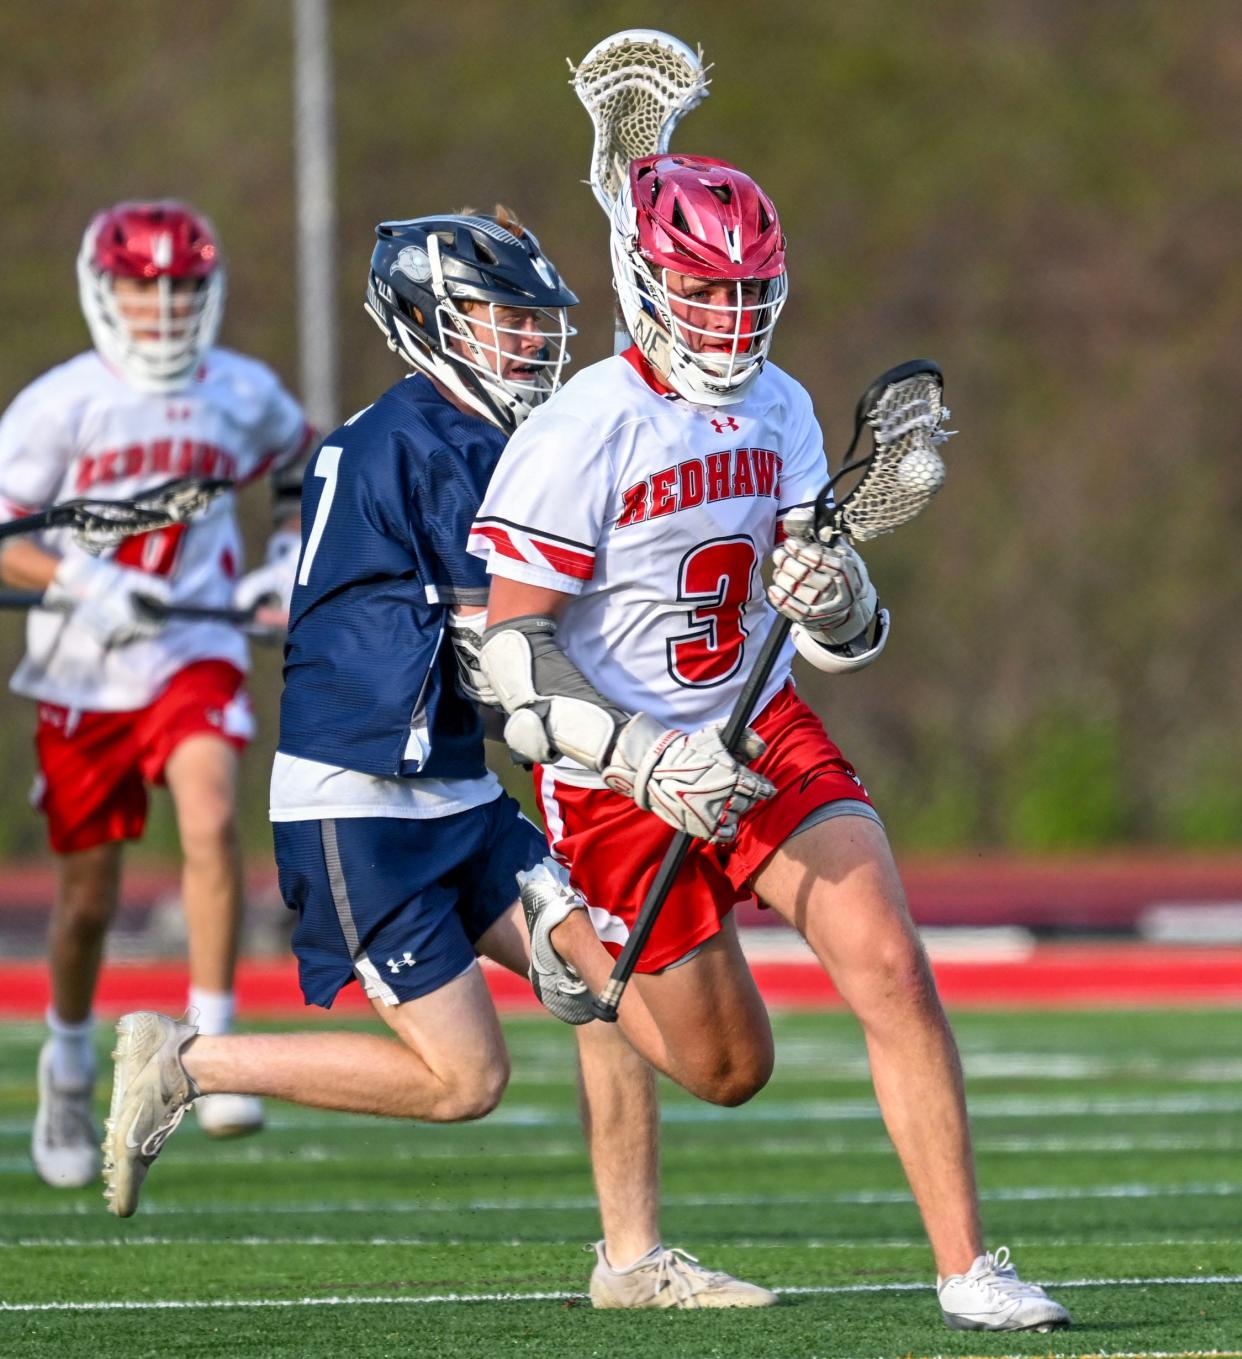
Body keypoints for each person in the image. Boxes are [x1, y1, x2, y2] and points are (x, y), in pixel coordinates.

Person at [101, 207, 776, 1309]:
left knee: (604, 984)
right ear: (427, 319)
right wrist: (642, 752)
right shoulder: (428, 443)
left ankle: (630, 1256)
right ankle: (190, 1064)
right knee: (466, 1081)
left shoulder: (456, 434)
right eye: (499, 316)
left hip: (456, 792)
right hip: (363, 806)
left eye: (529, 317)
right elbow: (507, 654)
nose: (526, 338)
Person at [467, 155, 1073, 1334]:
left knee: (891, 961)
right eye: (702, 292)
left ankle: (968, 1268)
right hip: (614, 777)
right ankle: (557, 940)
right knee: (728, 1071)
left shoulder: (784, 408)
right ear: (646, 284)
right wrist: (644, 758)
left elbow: (841, 627)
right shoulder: (583, 428)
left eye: (748, 291)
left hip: (761, 727)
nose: (728, 317)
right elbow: (512, 662)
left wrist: (835, 595)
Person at [0, 199, 316, 1188]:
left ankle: (210, 1054)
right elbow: (6, 542)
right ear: (105, 289)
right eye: (144, 285)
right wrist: (84, 583)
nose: (164, 304)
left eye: (180, 285)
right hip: (84, 668)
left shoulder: (236, 390)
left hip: (192, 647)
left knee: (216, 822)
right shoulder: (59, 405)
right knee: (89, 899)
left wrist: (284, 553)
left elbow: (307, 452)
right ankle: (67, 1058)